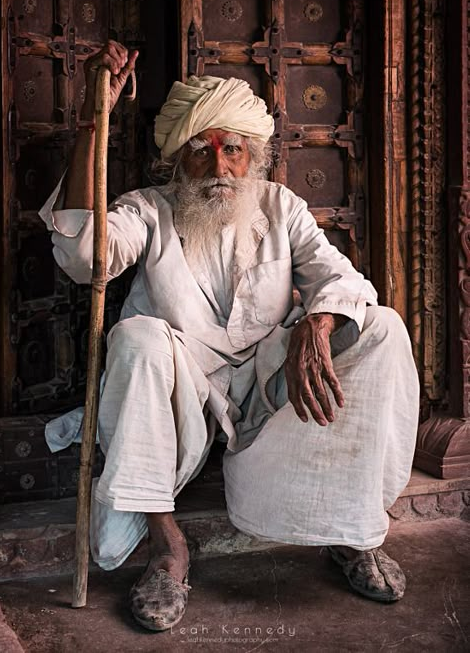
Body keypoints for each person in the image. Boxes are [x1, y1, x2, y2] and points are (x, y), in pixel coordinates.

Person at [40, 41, 420, 632]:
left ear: (254, 157)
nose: (219, 167)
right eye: (201, 151)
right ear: (177, 161)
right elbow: (86, 254)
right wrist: (96, 120)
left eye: (233, 150)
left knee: (383, 329)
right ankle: (167, 548)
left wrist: (316, 325)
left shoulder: (280, 206)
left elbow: (339, 276)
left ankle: (350, 528)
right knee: (136, 338)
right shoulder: (149, 209)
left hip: (270, 385)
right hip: (184, 388)